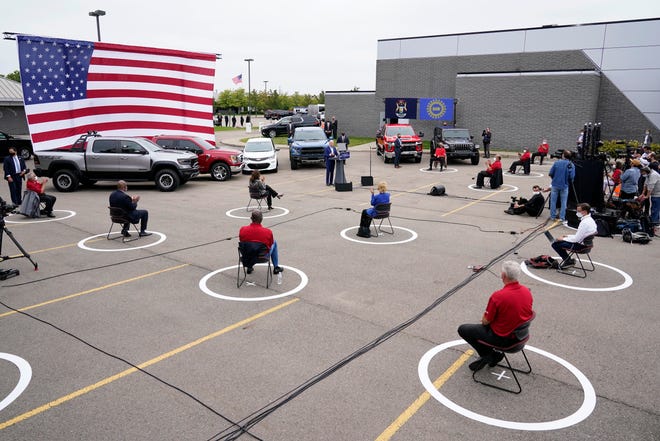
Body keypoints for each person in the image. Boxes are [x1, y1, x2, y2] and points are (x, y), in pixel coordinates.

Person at [457, 261, 534, 372]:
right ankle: (491, 355)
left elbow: (486, 321)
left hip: (503, 339)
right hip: (520, 337)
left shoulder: (499, 296)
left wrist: (486, 319)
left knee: (464, 329)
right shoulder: (527, 291)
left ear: (503, 275)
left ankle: (489, 355)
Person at [551, 202, 597, 268]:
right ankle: (568, 260)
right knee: (560, 240)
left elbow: (576, 239)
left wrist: (563, 239)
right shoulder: (591, 220)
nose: (577, 213)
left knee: (555, 244)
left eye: (578, 211)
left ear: (584, 212)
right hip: (587, 245)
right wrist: (567, 236)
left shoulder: (584, 223)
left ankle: (568, 261)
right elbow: (580, 236)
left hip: (580, 246)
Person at [239, 210, 284, 275]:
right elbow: (270, 244)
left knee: (249, 246)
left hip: (247, 255)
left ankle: (249, 266)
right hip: (263, 257)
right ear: (261, 219)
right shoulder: (268, 232)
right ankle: (276, 267)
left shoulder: (243, 229)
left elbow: (242, 241)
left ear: (251, 218)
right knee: (274, 242)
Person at [548, 150, 575, 222]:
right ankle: (562, 217)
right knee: (564, 202)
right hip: (564, 185)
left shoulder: (557, 163)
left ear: (563, 155)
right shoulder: (571, 165)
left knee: (553, 201)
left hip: (555, 184)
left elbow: (550, 173)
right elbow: (572, 177)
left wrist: (554, 179)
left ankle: (552, 216)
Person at [641, 165, 660, 234]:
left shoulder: (653, 175)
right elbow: (645, 184)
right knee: (655, 208)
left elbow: (650, 187)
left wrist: (647, 196)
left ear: (646, 171)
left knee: (655, 209)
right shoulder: (648, 174)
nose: (642, 174)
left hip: (658, 194)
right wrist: (643, 193)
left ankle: (653, 225)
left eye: (643, 173)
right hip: (654, 193)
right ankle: (656, 223)